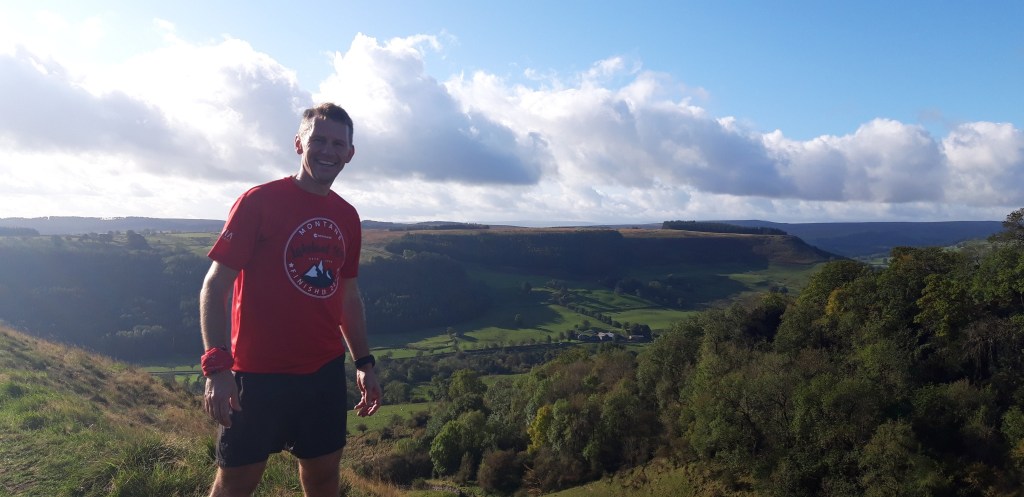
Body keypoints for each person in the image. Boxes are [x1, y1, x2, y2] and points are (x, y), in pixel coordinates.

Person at [199, 102, 382, 497]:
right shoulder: (258, 202)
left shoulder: (347, 216)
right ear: (299, 144)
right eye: (318, 140)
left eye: (338, 144)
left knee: (323, 478)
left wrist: (364, 363)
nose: (328, 151)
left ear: (350, 153)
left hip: (323, 374)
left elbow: (348, 295)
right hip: (256, 375)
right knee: (236, 484)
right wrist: (217, 368)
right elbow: (215, 285)